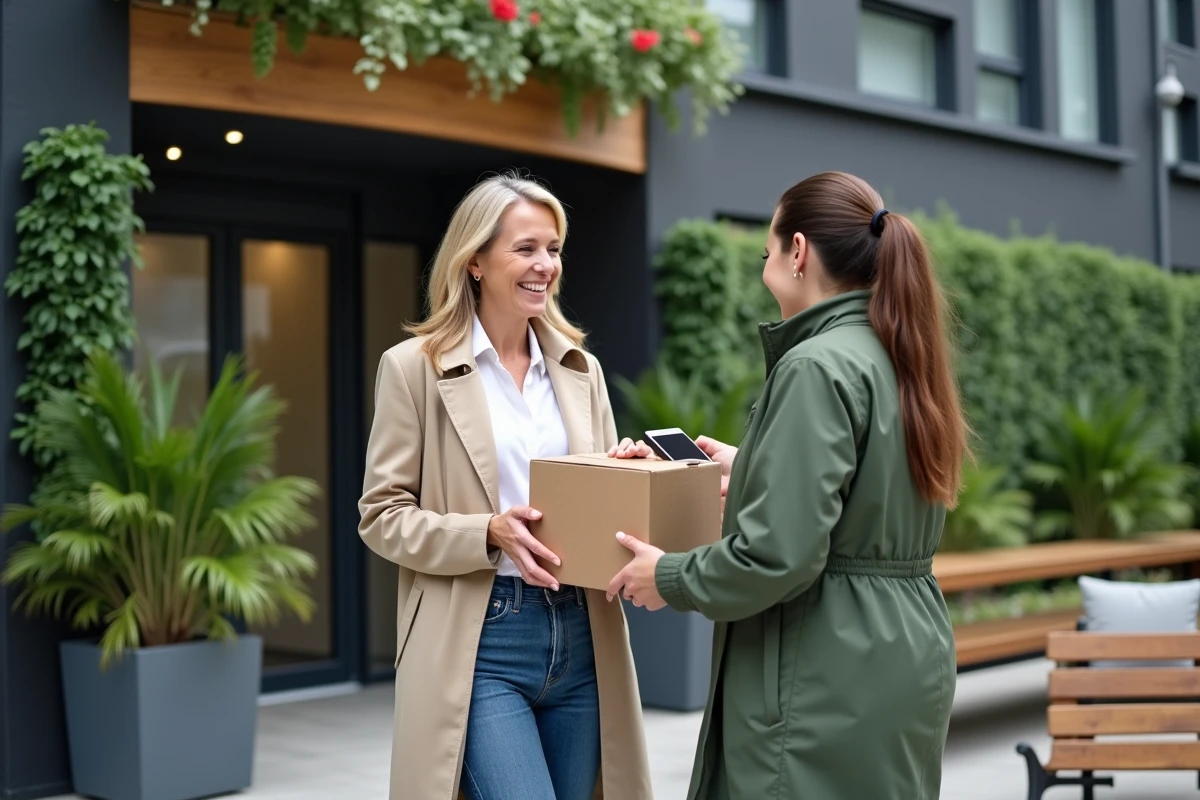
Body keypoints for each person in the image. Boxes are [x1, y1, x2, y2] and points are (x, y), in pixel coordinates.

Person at [609, 171, 968, 799]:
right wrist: (749, 465)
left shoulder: (814, 366)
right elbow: (867, 494)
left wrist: (666, 577)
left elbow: (781, 555)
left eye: (767, 250)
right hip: (898, 657)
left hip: (820, 671)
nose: (765, 265)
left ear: (797, 252)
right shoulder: (899, 353)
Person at [359, 173, 652, 800]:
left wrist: (624, 476)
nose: (544, 265)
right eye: (525, 248)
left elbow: (591, 504)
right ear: (475, 262)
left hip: (581, 633)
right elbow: (382, 516)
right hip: (481, 639)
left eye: (553, 249)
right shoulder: (414, 369)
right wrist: (486, 532)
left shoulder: (580, 369)